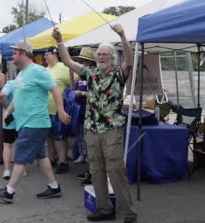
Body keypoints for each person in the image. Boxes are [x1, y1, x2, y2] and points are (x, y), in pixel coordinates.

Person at [53, 24, 137, 223]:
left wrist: (122, 35)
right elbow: (66, 61)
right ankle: (104, 209)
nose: (101, 57)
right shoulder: (90, 74)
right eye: (99, 54)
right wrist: (59, 41)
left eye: (105, 54)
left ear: (112, 58)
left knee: (115, 169)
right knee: (96, 170)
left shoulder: (118, 74)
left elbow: (130, 62)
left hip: (111, 129)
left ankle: (127, 212)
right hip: (92, 129)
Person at [0, 40, 70, 203]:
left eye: (14, 53)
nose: (12, 56)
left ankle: (9, 192)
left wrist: (60, 110)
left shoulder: (39, 71)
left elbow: (55, 90)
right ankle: (54, 187)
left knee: (21, 159)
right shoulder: (21, 73)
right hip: (26, 123)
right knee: (42, 157)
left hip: (34, 123)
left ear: (23, 54)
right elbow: (17, 97)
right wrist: (8, 112)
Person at [44, 46, 74, 174]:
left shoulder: (64, 68)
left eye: (47, 54)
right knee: (49, 137)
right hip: (46, 110)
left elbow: (75, 84)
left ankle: (62, 162)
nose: (45, 56)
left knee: (60, 137)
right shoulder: (45, 70)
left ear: (54, 54)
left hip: (59, 109)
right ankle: (51, 159)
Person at [70, 48, 97, 185]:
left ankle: (92, 173)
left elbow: (96, 94)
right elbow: (72, 88)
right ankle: (84, 158)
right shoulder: (81, 76)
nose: (80, 62)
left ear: (90, 62)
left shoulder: (95, 75)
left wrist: (83, 94)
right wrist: (71, 75)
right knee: (81, 134)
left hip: (92, 112)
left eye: (82, 60)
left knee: (90, 139)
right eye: (79, 60)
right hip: (81, 110)